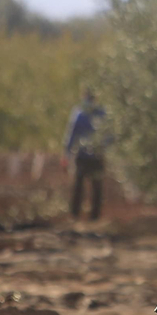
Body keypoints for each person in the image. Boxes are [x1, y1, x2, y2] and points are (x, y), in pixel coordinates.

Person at [63, 90, 107, 219]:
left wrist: (67, 153)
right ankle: (76, 215)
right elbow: (72, 135)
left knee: (96, 187)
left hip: (95, 156)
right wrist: (67, 154)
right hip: (84, 156)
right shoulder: (80, 114)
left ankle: (93, 216)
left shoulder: (99, 114)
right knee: (80, 186)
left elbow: (108, 135)